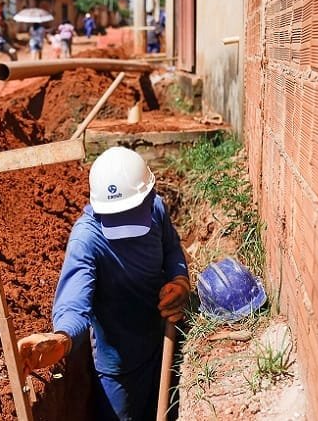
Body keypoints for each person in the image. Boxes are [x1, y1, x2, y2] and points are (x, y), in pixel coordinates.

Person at [17, 147, 190, 421]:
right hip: (117, 368)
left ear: (150, 194)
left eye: (131, 213)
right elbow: (75, 303)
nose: (125, 225)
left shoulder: (156, 209)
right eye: (117, 216)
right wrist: (62, 338)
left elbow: (171, 248)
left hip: (162, 341)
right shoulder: (87, 239)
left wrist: (180, 280)